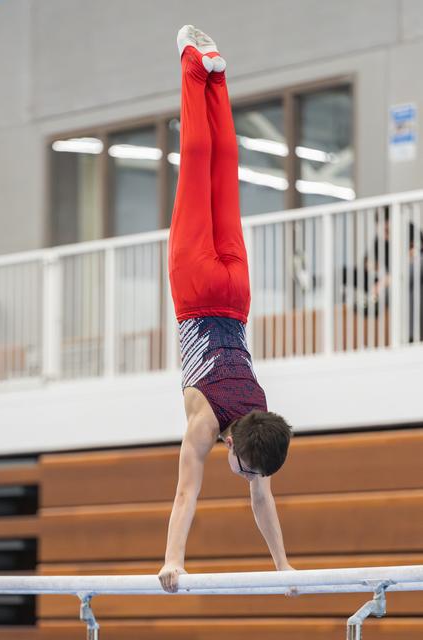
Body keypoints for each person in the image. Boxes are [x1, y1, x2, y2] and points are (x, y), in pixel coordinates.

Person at [158, 25, 293, 594]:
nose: (249, 481)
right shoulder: (207, 421)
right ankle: (192, 62)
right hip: (196, 290)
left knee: (222, 178)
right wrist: (173, 562)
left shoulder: (259, 413)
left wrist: (284, 567)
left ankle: (217, 74)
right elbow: (186, 491)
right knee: (196, 170)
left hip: (237, 295)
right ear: (235, 445)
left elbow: (262, 497)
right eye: (248, 470)